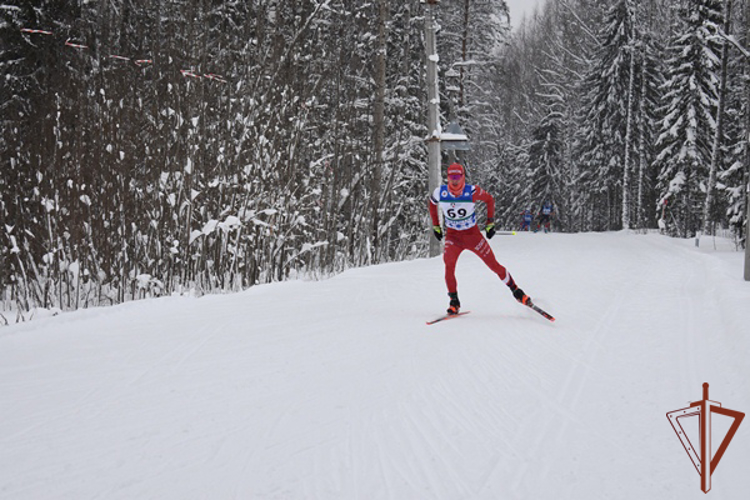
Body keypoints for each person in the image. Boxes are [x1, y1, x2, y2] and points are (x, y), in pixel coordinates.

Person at [429, 163, 531, 315]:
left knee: (493, 265)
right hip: (453, 237)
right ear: (448, 178)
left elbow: (489, 200)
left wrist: (490, 223)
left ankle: (517, 291)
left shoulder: (472, 191)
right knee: (448, 266)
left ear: (463, 177)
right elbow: (431, 204)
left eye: (457, 177)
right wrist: (436, 226)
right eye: (452, 177)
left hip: (472, 235)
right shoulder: (440, 193)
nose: (455, 181)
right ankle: (454, 302)